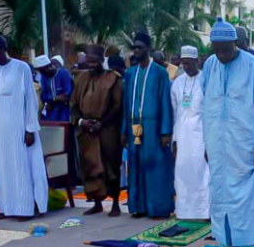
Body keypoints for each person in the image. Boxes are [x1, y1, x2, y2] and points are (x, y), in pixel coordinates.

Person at [201, 18, 254, 247]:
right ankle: (224, 243)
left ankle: (250, 246)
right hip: (218, 143)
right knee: (220, 192)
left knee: (250, 195)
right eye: (217, 49)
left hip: (246, 144)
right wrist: (206, 143)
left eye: (226, 49)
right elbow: (207, 106)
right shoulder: (210, 65)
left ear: (236, 43)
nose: (221, 54)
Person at [0, 35, 48, 221]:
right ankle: (4, 208)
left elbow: (30, 100)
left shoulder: (21, 68)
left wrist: (30, 128)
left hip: (16, 130)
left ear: (4, 48)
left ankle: (23, 209)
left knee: (19, 168)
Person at [121, 33, 174, 218]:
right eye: (134, 47)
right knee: (135, 166)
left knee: (155, 166)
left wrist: (166, 131)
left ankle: (157, 208)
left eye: (140, 47)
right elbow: (125, 104)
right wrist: (124, 130)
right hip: (134, 126)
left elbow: (165, 103)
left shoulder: (160, 73)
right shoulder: (130, 73)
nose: (136, 51)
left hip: (154, 128)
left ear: (148, 49)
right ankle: (139, 207)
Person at [71, 45, 124, 217]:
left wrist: (101, 123)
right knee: (90, 167)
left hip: (107, 129)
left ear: (102, 61)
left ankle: (115, 203)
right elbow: (73, 106)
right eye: (89, 62)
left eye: (94, 62)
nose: (91, 65)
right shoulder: (80, 79)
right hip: (86, 130)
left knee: (111, 166)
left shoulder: (113, 78)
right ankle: (97, 203)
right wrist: (81, 121)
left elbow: (118, 106)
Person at [171, 45, 210, 220]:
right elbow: (174, 112)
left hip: (201, 134)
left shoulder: (206, 80)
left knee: (202, 173)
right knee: (183, 172)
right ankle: (185, 212)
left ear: (196, 61)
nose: (185, 67)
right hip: (182, 135)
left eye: (188, 63)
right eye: (183, 64)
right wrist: (174, 140)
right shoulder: (178, 83)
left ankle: (204, 212)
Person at [35, 54, 73, 122]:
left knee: (64, 130)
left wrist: (53, 99)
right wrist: (44, 110)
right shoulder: (44, 77)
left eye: (43, 71)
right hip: (50, 112)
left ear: (49, 66)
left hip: (63, 111)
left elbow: (67, 95)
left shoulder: (63, 73)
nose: (43, 74)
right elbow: (44, 97)